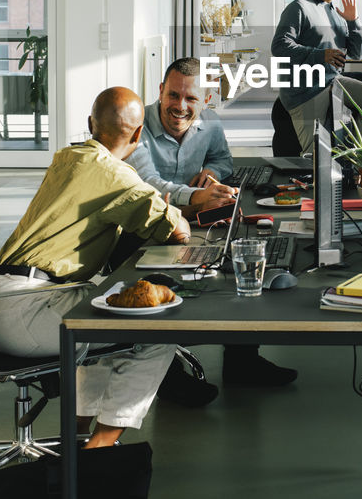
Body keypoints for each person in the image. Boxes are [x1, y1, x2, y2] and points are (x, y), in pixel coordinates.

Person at [0, 86, 190, 449]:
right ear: (138, 134)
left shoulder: (68, 157)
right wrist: (170, 211)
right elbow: (178, 230)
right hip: (22, 310)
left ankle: (77, 432)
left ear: (90, 124)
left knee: (103, 309)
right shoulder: (117, 177)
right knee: (157, 328)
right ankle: (100, 448)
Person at [127, 57, 298, 392]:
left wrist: (213, 175)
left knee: (243, 259)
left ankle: (242, 362)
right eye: (173, 95)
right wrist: (196, 197)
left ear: (205, 101)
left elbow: (223, 159)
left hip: (191, 221)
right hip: (143, 225)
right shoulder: (137, 127)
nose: (180, 106)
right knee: (162, 280)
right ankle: (167, 376)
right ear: (160, 91)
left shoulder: (211, 124)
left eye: (191, 99)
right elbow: (147, 183)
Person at [271, 0, 362, 153]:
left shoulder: (336, 14)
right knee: (314, 155)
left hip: (332, 82)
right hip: (306, 90)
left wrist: (353, 21)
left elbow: (356, 53)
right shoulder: (299, 8)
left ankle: (356, 155)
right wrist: (320, 55)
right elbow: (279, 46)